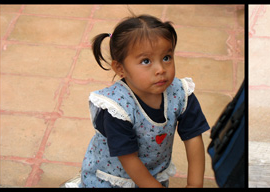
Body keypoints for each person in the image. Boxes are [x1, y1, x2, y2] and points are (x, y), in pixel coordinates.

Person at [77, 14, 209, 188]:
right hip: (113, 179)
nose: (161, 69)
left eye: (166, 57)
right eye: (146, 61)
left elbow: (193, 136)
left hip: (153, 174)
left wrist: (194, 183)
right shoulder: (117, 108)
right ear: (120, 68)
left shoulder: (181, 94)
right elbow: (128, 158)